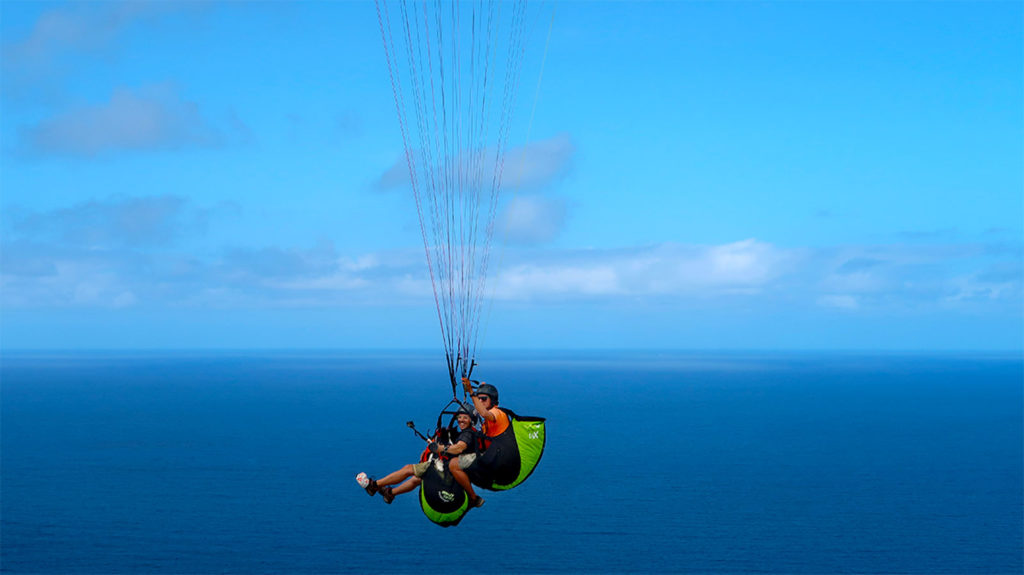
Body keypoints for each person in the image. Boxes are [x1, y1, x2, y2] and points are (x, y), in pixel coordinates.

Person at [357, 409, 478, 504]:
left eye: (465, 417)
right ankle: (391, 493)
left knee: (409, 469)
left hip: (448, 473)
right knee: (417, 479)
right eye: (460, 417)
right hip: (453, 474)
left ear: (471, 420)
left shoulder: (467, 434)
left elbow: (459, 448)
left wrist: (440, 448)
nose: (461, 420)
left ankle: (374, 486)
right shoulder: (469, 433)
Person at [449, 378, 508, 508]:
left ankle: (473, 498)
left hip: (496, 458)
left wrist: (471, 391)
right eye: (479, 398)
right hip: (492, 454)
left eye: (484, 399)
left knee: (453, 464)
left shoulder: (497, 413)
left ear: (492, 400)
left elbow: (483, 412)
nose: (480, 401)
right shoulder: (489, 418)